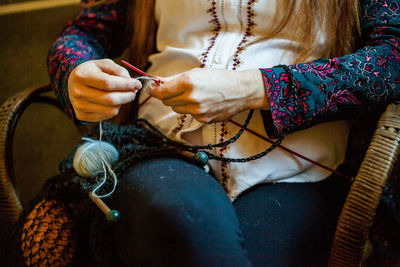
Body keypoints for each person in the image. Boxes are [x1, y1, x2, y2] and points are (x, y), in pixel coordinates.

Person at [18, 0, 400, 266]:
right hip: (160, 148)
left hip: (302, 169)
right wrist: (75, 73)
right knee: (187, 219)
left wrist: (254, 88)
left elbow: (393, 56)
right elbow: (84, 32)